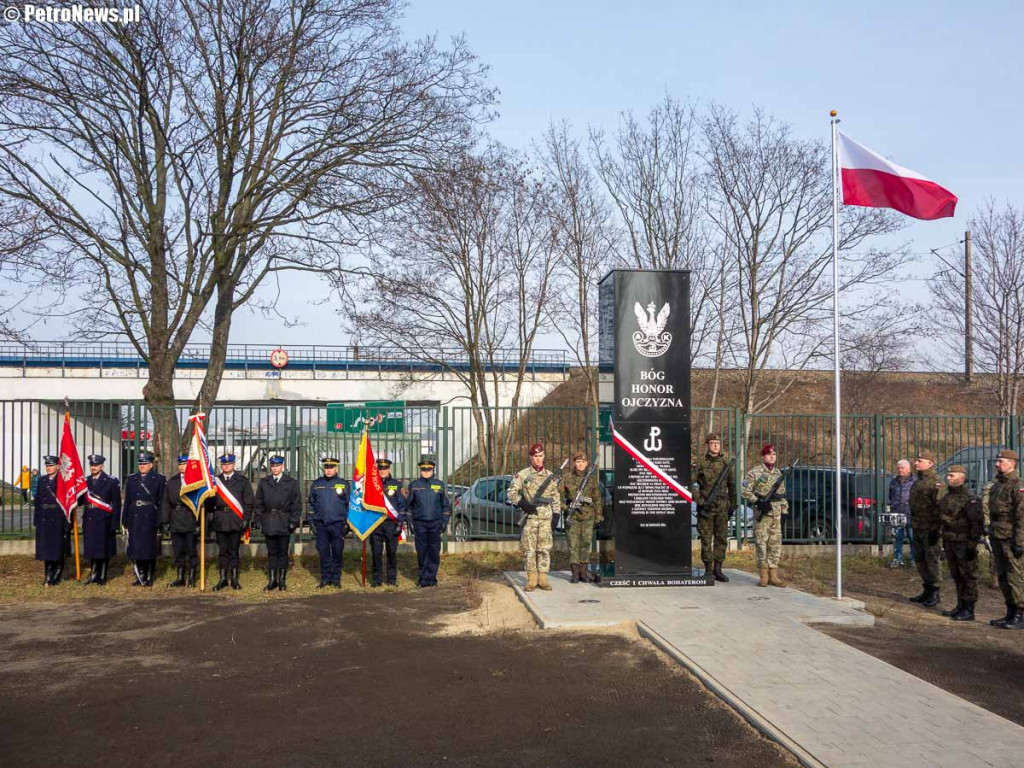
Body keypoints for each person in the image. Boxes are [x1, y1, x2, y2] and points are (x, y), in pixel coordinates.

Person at [508, 443, 561, 593]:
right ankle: (531, 579)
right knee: (529, 550)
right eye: (535, 456)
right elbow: (511, 492)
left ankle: (543, 578)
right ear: (530, 457)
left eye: (540, 456)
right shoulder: (523, 475)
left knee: (544, 549)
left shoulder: (550, 476)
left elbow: (555, 497)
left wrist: (556, 515)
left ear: (543, 456)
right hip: (530, 518)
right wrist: (523, 504)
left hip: (546, 518)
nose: (538, 459)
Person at [938, 465, 984, 621]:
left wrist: (972, 545)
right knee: (956, 575)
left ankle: (969, 608)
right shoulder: (947, 496)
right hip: (950, 541)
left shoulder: (969, 498)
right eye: (948, 475)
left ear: (961, 478)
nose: (948, 478)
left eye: (952, 475)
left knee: (968, 576)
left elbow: (976, 523)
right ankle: (960, 604)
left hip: (964, 543)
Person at [986, 449, 1024, 629]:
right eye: (997, 461)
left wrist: (1019, 542)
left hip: (1011, 539)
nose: (997, 464)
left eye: (1001, 461)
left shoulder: (1017, 486)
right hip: (997, 536)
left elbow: (1021, 518)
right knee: (1002, 576)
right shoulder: (997, 485)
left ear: (1012, 463)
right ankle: (1010, 611)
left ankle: (1020, 614)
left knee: (1014, 577)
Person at [742, 444, 788, 588]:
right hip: (762, 513)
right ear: (763, 456)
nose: (772, 456)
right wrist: (758, 502)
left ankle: (773, 574)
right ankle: (763, 574)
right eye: (769, 454)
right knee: (761, 544)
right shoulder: (754, 472)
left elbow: (782, 495)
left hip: (776, 514)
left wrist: (784, 511)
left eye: (774, 453)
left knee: (775, 544)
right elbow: (744, 490)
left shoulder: (778, 474)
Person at [253, 454, 302, 592]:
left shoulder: (291, 483)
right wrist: (257, 519)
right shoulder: (264, 482)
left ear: (282, 466)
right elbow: (259, 503)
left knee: (282, 552)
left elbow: (296, 504)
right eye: (272, 466)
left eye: (277, 466)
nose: (274, 468)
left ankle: (282, 580)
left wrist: (294, 521)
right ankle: (272, 580)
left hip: (284, 522)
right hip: (269, 521)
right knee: (272, 552)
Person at [694, 433, 737, 582]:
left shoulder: (726, 463)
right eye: (712, 443)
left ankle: (718, 569)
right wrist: (699, 500)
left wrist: (733, 505)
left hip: (722, 507)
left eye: (717, 443)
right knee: (706, 538)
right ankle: (708, 569)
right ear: (707, 445)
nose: (715, 445)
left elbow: (732, 486)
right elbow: (688, 482)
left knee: (721, 538)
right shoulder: (701, 462)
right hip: (706, 507)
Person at [208, 453, 254, 592]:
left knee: (234, 551)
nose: (226, 466)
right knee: (222, 551)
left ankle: (234, 579)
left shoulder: (242, 481)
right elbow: (210, 503)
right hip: (220, 520)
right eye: (223, 464)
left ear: (234, 465)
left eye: (228, 464)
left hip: (235, 520)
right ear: (221, 466)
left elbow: (249, 502)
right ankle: (222, 579)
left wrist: (246, 518)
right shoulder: (215, 481)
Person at [122, 451, 166, 588]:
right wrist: (125, 519)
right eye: (140, 464)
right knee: (136, 546)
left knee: (148, 547)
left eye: (145, 463)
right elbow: (128, 500)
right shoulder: (132, 478)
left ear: (151, 464)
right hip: (134, 515)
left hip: (149, 515)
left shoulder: (159, 479)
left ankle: (149, 574)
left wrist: (160, 520)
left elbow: (161, 501)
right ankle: (139, 575)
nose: (142, 466)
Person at [907, 449, 946, 607]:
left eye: (919, 461)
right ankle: (927, 589)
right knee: (920, 559)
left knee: (932, 560)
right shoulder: (918, 482)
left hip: (931, 529)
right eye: (916, 460)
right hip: (918, 527)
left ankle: (935, 591)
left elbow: (940, 507)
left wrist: (936, 530)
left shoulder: (936, 483)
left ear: (930, 464)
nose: (916, 463)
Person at [406, 456, 451, 588]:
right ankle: (423, 579)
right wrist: (411, 523)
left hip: (435, 524)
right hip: (420, 524)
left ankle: (432, 578)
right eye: (424, 469)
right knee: (421, 551)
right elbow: (409, 507)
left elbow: (446, 506)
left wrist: (444, 522)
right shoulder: (414, 486)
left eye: (428, 469)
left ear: (433, 470)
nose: (426, 472)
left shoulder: (439, 485)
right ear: (420, 470)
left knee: (434, 551)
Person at [308, 456, 349, 589]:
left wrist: (348, 523)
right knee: (324, 552)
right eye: (326, 467)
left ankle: (336, 579)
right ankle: (325, 578)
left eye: (331, 467)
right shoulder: (316, 484)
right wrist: (311, 521)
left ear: (336, 468)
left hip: (338, 524)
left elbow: (349, 505)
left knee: (337, 551)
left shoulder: (344, 484)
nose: (329, 470)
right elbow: (311, 504)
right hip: (321, 524)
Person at [560, 451, 602, 584]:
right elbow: (557, 497)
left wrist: (598, 516)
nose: (581, 464)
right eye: (578, 462)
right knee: (573, 545)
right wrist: (566, 508)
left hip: (588, 517)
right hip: (572, 517)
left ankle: (583, 572)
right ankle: (575, 573)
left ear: (587, 463)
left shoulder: (591, 479)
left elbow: (597, 499)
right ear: (574, 463)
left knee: (585, 544)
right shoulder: (566, 478)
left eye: (583, 462)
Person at [160, 454, 200, 588]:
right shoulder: (172, 481)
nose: (182, 467)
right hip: (175, 518)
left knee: (191, 550)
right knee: (178, 550)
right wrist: (165, 521)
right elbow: (166, 502)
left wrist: (199, 523)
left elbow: (201, 503)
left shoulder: (196, 481)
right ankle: (180, 577)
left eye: (185, 464)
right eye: (181, 464)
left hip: (190, 517)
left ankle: (192, 577)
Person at [81, 454, 121, 586]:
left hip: (104, 519)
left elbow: (116, 504)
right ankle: (93, 574)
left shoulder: (111, 481)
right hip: (90, 518)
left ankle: (102, 575)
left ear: (102, 466)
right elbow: (81, 500)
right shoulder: (85, 481)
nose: (93, 467)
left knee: (103, 549)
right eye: (91, 465)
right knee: (92, 548)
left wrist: (115, 523)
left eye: (96, 465)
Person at [369, 458, 405, 587]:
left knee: (391, 553)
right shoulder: (372, 485)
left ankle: (391, 579)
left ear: (389, 469)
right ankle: (377, 580)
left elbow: (402, 505)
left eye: (385, 468)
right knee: (376, 553)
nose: (382, 471)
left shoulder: (396, 484)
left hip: (391, 524)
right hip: (376, 524)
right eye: (380, 468)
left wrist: (399, 523)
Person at [34, 455, 66, 586]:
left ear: (58, 467)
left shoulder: (64, 481)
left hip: (58, 516)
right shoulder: (42, 480)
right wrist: (36, 520)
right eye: (47, 466)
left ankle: (57, 574)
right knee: (46, 548)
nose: (48, 468)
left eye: (51, 465)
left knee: (57, 547)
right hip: (44, 517)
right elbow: (37, 502)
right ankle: (48, 575)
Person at [888, 459, 916, 567]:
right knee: (897, 538)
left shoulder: (914, 482)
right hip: (896, 514)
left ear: (908, 469)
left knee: (912, 537)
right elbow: (890, 497)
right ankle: (897, 558)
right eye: (898, 468)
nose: (900, 470)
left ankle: (913, 559)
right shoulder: (893, 482)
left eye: (902, 468)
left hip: (910, 513)